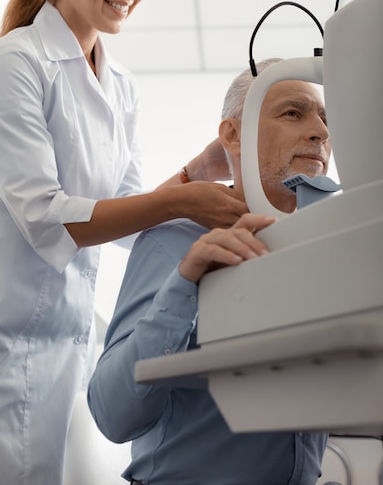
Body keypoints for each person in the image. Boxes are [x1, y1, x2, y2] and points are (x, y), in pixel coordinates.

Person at [0, 0, 246, 485]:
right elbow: (47, 216)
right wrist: (180, 198)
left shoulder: (120, 84)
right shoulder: (15, 63)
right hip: (0, 343)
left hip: (71, 344)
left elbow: (127, 214)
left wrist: (198, 171)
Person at [88, 58, 332, 485]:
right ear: (233, 136)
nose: (320, 132)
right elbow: (112, 414)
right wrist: (184, 286)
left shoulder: (331, 251)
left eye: (324, 118)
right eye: (293, 113)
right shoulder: (173, 242)